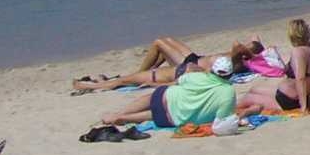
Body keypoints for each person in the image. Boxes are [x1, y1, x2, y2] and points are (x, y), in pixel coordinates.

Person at [71, 36, 264, 94]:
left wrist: (252, 51)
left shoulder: (239, 59)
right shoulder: (237, 59)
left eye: (249, 45)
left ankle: (136, 74)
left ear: (249, 52)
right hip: (194, 60)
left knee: (158, 44)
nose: (246, 44)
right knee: (165, 40)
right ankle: (136, 75)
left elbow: (237, 44)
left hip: (188, 66)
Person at [101, 59, 237, 130]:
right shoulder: (228, 92)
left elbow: (175, 83)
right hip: (173, 119)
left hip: (166, 98)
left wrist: (154, 84)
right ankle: (124, 118)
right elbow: (222, 118)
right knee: (153, 115)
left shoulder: (197, 76)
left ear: (212, 70)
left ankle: (119, 114)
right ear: (230, 75)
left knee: (150, 99)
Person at [237, 18, 310, 115]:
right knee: (254, 89)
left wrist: (303, 106)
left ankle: (232, 114)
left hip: (288, 100)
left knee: (248, 98)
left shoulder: (298, 52)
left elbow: (300, 79)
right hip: (294, 95)